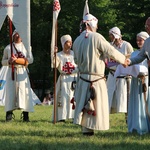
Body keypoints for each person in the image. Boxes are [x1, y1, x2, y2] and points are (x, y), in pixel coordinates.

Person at [73, 13, 127, 136]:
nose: (96, 28)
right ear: (92, 25)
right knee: (95, 105)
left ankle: (86, 130)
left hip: (82, 78)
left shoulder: (76, 40)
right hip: (95, 78)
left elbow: (75, 60)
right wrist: (124, 60)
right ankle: (90, 129)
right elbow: (110, 50)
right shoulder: (96, 37)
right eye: (96, 26)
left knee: (85, 104)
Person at [1, 30, 34, 122]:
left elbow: (31, 59)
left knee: (23, 93)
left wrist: (19, 60)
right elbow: (3, 61)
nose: (17, 36)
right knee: (11, 93)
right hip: (11, 72)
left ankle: (26, 115)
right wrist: (9, 61)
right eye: (15, 34)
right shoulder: (8, 48)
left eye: (19, 34)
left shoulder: (26, 47)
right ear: (13, 36)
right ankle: (9, 115)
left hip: (22, 72)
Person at [106, 27, 133, 122]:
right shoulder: (109, 46)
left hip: (123, 76)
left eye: (111, 35)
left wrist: (122, 59)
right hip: (112, 74)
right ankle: (106, 118)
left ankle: (128, 118)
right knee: (108, 96)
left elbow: (132, 58)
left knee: (125, 97)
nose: (110, 37)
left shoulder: (126, 45)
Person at [127, 31, 150, 135]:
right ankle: (136, 125)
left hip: (145, 80)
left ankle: (145, 125)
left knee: (145, 102)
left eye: (140, 40)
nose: (138, 42)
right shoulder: (136, 52)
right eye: (137, 40)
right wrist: (128, 62)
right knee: (136, 101)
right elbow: (137, 59)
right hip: (136, 80)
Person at [52, 34, 78, 122]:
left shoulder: (74, 53)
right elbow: (55, 66)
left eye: (71, 42)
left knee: (73, 97)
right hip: (63, 79)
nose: (70, 44)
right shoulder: (59, 55)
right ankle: (61, 117)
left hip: (73, 78)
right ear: (64, 43)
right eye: (68, 42)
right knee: (63, 98)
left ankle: (74, 116)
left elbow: (78, 64)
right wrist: (54, 55)